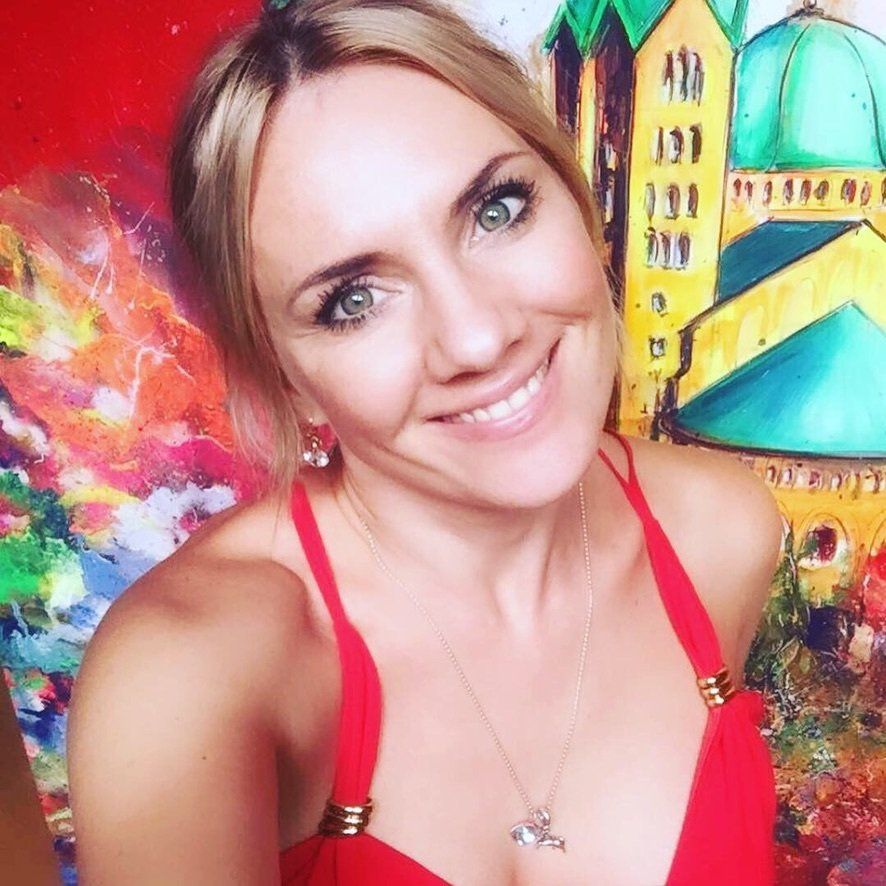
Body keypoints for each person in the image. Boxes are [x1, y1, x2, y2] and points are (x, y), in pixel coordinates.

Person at [66, 1, 783, 883]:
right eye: (354, 300)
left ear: (577, 197)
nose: (478, 339)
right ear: (285, 380)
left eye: (497, 211)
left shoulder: (721, 533)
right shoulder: (192, 681)